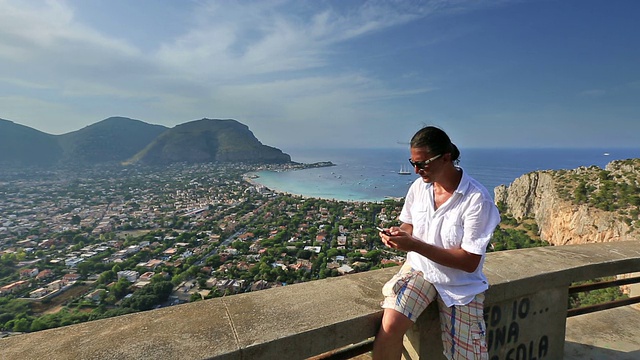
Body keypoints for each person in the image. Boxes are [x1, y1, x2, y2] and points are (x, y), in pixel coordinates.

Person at [372, 126, 500, 360]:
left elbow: (470, 261)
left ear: (446, 157)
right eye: (413, 163)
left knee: (468, 356)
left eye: (423, 163)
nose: (416, 170)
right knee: (390, 326)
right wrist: (399, 234)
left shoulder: (476, 200)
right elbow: (408, 224)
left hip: (459, 284)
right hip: (421, 269)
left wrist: (414, 245)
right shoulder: (419, 188)